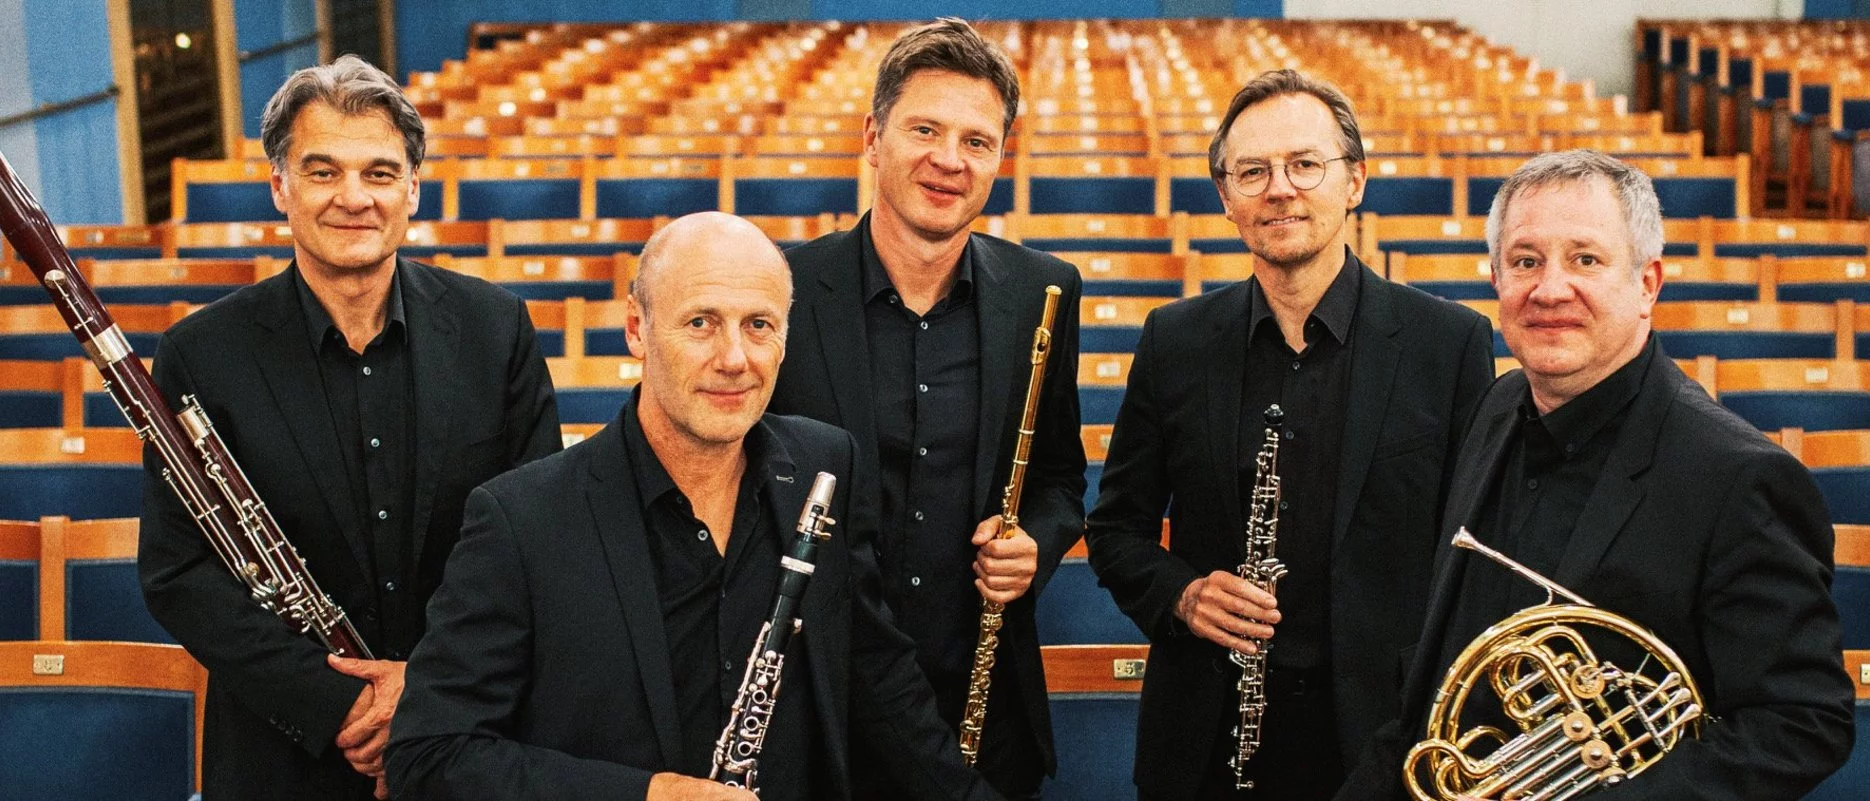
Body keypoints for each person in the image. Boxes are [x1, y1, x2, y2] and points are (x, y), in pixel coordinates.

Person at [384, 212, 1004, 801]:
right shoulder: (521, 518)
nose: (734, 359)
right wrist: (647, 794)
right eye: (701, 323)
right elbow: (429, 754)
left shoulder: (824, 467)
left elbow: (877, 678)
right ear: (637, 330)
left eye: (758, 325)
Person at [1335, 149, 1855, 801]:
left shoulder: (1738, 478)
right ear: (1497, 279)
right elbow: (1437, 677)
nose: (1551, 289)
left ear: (1647, 283)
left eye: (1585, 259)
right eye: (1526, 260)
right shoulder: (1495, 409)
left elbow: (1801, 723)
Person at [136, 55, 561, 800]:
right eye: (323, 171)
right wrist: (339, 705)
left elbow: (539, 542)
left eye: (380, 172)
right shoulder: (200, 355)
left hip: (466, 737)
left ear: (413, 190)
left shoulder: (496, 330)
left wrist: (425, 688)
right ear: (280, 187)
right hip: (284, 751)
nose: (353, 198)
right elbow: (179, 572)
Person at [1082, 68, 1494, 800]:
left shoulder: (1450, 344)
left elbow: (1476, 557)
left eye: (1306, 164)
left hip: (1384, 740)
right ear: (1226, 197)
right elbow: (1116, 529)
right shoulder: (1176, 341)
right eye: (1254, 171)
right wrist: (1182, 595)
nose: (1281, 188)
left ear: (1354, 180)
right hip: (1205, 744)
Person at [769, 18, 1085, 800]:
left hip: (983, 718)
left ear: (1001, 159)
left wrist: (1034, 544)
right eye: (925, 129)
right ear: (874, 138)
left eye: (978, 141)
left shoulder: (1046, 292)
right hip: (820, 716)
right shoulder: (782, 290)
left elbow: (1059, 479)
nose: (950, 160)